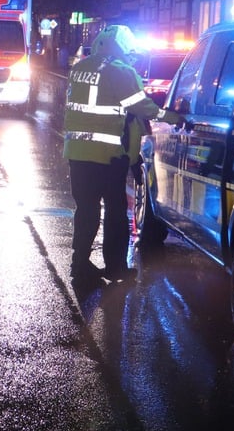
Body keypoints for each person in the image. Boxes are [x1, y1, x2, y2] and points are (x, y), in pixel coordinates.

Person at [64, 24, 183, 288]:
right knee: (116, 211)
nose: (133, 60)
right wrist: (172, 117)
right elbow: (142, 108)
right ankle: (115, 267)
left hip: (77, 152)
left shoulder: (80, 68)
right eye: (132, 55)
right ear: (124, 49)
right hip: (107, 156)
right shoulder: (122, 71)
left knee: (86, 210)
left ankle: (79, 264)